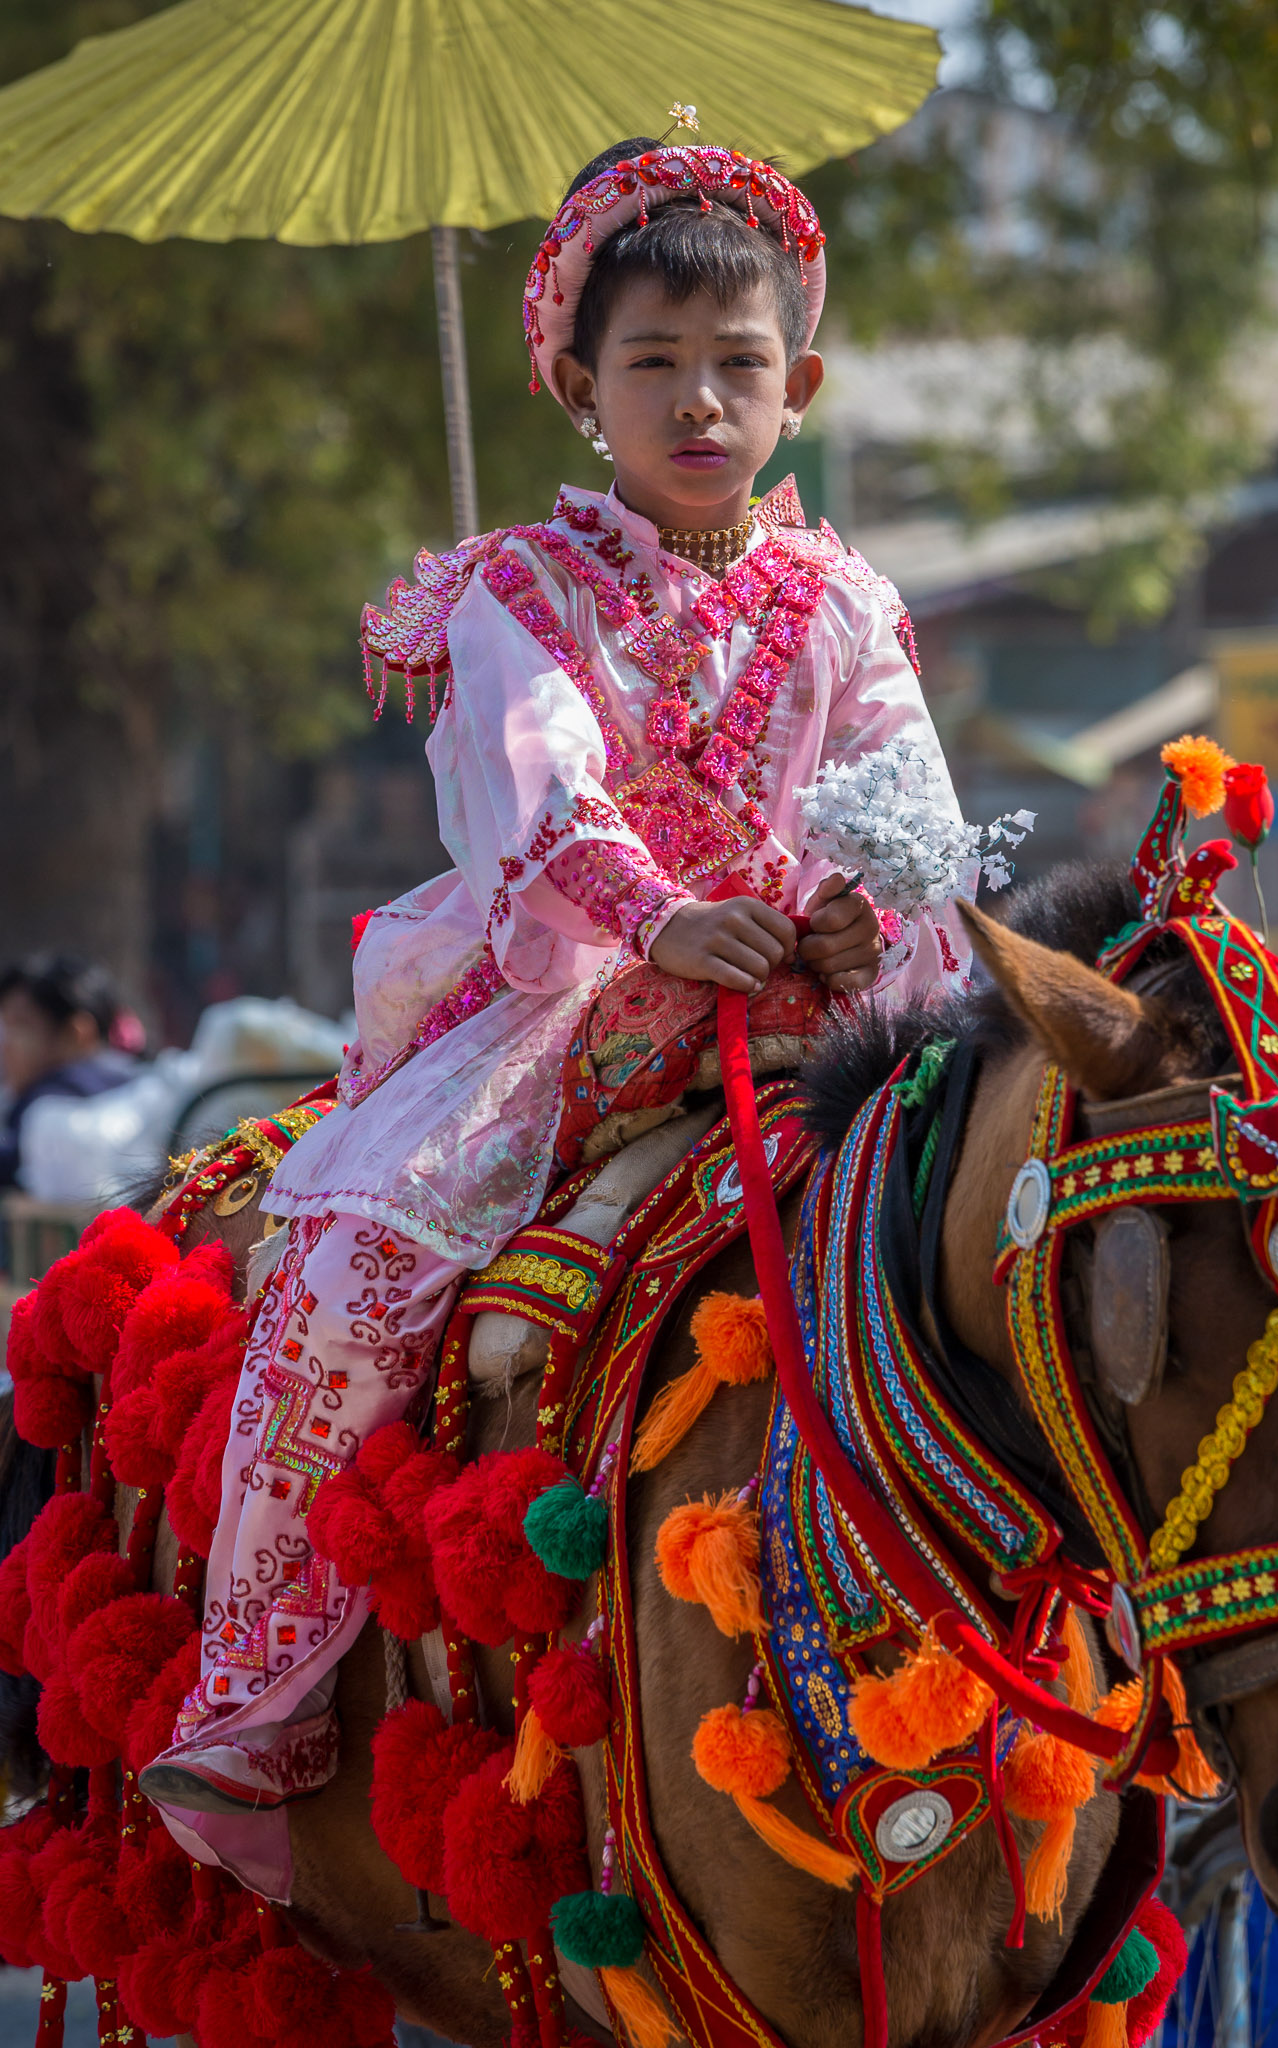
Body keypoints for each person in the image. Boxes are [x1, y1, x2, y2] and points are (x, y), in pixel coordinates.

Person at [138, 133, 971, 1901]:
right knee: (346, 1266)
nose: (697, 401)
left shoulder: (846, 601)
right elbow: (541, 797)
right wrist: (677, 914)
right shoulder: (518, 589)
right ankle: (261, 1681)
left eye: (735, 364)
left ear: (796, 384)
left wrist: (852, 908)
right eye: (651, 363)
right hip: (575, 1011)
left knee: (997, 1240)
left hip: (817, 1017)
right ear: (573, 384)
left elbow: (907, 803)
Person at [0, 955, 140, 1190]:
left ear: (77, 1034)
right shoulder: (134, 1083)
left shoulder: (55, 1093)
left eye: (20, 1025)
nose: (5, 1043)